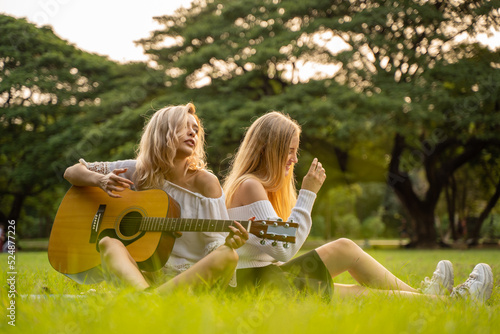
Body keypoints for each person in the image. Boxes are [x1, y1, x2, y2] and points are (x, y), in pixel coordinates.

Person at [223, 111, 494, 303]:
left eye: (296, 151)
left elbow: (279, 248)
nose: (294, 159)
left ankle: (428, 296)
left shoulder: (254, 186)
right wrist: (307, 194)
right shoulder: (250, 186)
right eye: (289, 151)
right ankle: (452, 303)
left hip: (267, 278)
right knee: (355, 294)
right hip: (259, 286)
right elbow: (284, 248)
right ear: (269, 149)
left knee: (345, 247)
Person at [64, 103, 248, 294]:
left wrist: (229, 243)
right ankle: (151, 299)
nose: (193, 133)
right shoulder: (136, 171)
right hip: (144, 276)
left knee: (228, 255)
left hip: (190, 279)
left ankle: (146, 301)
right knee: (107, 243)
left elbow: (215, 241)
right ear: (163, 132)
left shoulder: (205, 182)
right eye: (185, 126)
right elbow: (72, 172)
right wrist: (100, 180)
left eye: (195, 129)